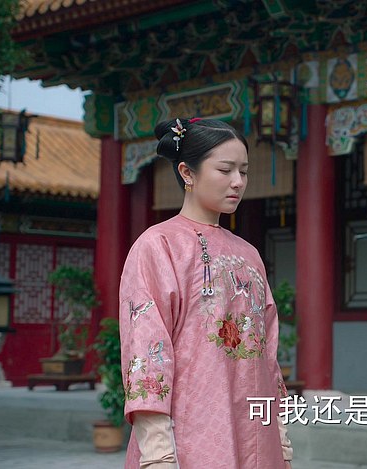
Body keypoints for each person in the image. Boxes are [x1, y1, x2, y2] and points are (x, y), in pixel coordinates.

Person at [119, 117, 293, 468]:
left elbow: (268, 357)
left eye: (244, 171)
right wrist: (158, 454)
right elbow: (147, 352)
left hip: (257, 435)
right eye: (225, 170)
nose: (238, 181)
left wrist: (282, 440)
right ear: (187, 172)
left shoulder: (249, 254)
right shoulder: (158, 245)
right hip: (189, 434)